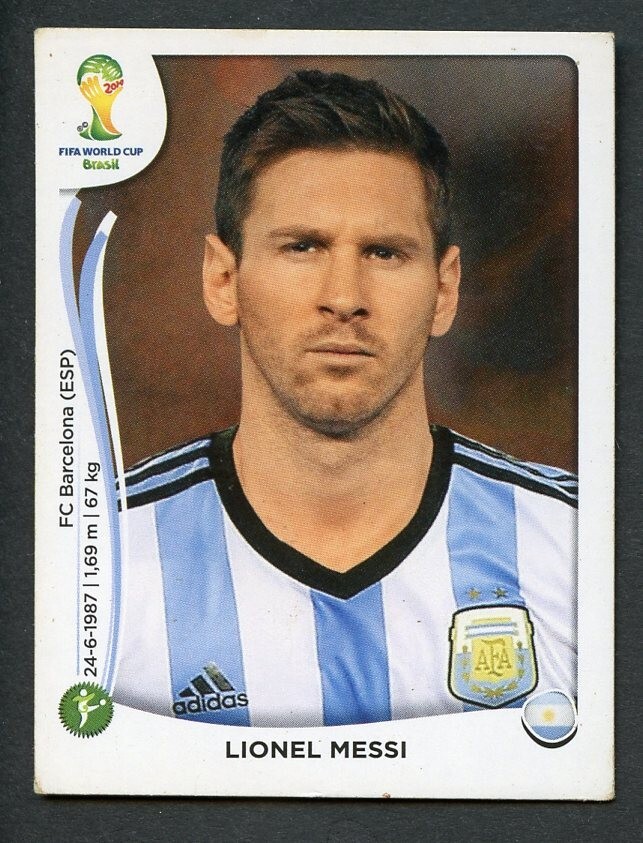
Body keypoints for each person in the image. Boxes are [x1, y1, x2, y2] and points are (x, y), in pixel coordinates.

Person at [113, 70, 577, 727]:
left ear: (444, 289)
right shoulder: (96, 562)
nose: (343, 297)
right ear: (223, 279)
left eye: (384, 253)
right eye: (302, 247)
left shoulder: (579, 547)